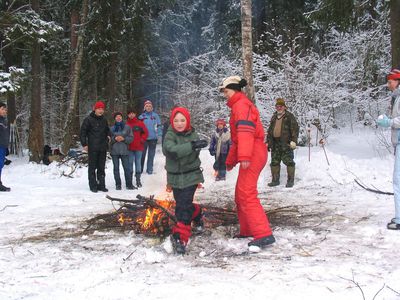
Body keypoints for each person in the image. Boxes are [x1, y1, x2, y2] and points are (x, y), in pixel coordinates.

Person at [219, 75, 275, 251]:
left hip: (253, 150)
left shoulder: (241, 105)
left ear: (234, 89)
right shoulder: (238, 105)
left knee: (247, 193)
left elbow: (245, 132)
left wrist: (244, 157)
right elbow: (237, 139)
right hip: (249, 148)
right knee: (240, 193)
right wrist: (231, 161)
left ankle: (263, 233)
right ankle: (248, 230)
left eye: (226, 91)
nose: (225, 95)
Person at [162, 106, 207, 254]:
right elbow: (171, 151)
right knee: (183, 204)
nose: (179, 123)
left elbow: (190, 157)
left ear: (187, 121)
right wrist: (191, 147)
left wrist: (190, 148)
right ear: (172, 121)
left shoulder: (193, 135)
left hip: (191, 176)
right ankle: (198, 212)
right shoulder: (169, 135)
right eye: (176, 120)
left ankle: (181, 237)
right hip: (175, 178)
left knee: (182, 206)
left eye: (182, 120)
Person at [376, 68, 400, 230]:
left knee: (398, 181)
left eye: (390, 81)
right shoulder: (396, 97)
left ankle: (399, 219)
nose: (388, 84)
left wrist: (388, 122)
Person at [266, 98, 299, 188]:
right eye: (277, 106)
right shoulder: (274, 117)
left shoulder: (289, 116)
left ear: (284, 107)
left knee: (289, 162)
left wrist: (294, 141)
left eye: (280, 106)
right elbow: (270, 131)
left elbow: (295, 129)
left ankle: (290, 181)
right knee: (274, 162)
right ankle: (275, 180)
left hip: (286, 143)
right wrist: (268, 142)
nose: (278, 108)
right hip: (275, 143)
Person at [80, 100, 111, 193]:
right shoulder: (88, 119)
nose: (101, 111)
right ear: (95, 109)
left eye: (102, 109)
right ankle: (93, 185)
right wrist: (84, 144)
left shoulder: (104, 120)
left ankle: (102, 185)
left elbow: (107, 130)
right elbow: (83, 132)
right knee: (92, 167)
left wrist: (109, 136)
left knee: (101, 167)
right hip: (92, 147)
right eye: (99, 109)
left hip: (102, 147)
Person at [110, 112, 134, 190]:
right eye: (117, 117)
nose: (118, 118)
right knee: (116, 168)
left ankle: (129, 184)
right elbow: (109, 139)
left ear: (122, 117)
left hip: (124, 150)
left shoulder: (127, 127)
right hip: (114, 151)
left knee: (127, 168)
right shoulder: (111, 128)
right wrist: (114, 139)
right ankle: (118, 184)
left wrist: (124, 139)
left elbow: (131, 138)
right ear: (114, 118)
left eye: (120, 116)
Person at [126, 108, 148, 188]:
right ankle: (130, 180)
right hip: (129, 147)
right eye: (130, 113)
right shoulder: (126, 124)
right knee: (130, 163)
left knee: (138, 163)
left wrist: (142, 140)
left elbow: (145, 133)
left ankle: (138, 180)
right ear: (128, 115)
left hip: (139, 147)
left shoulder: (140, 123)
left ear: (135, 114)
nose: (131, 115)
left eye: (133, 113)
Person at [139, 100, 162, 174]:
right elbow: (138, 128)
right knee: (142, 155)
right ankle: (140, 169)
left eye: (150, 106)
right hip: (144, 139)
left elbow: (159, 126)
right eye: (147, 106)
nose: (148, 107)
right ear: (144, 108)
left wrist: (159, 135)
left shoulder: (155, 116)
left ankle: (149, 169)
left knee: (151, 155)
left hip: (153, 138)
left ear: (152, 107)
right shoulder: (141, 116)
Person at [0, 102, 10, 192]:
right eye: (2, 109)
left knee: (1, 165)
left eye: (5, 109)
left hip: (3, 146)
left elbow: (5, 134)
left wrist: (6, 147)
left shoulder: (4, 120)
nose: (4, 111)